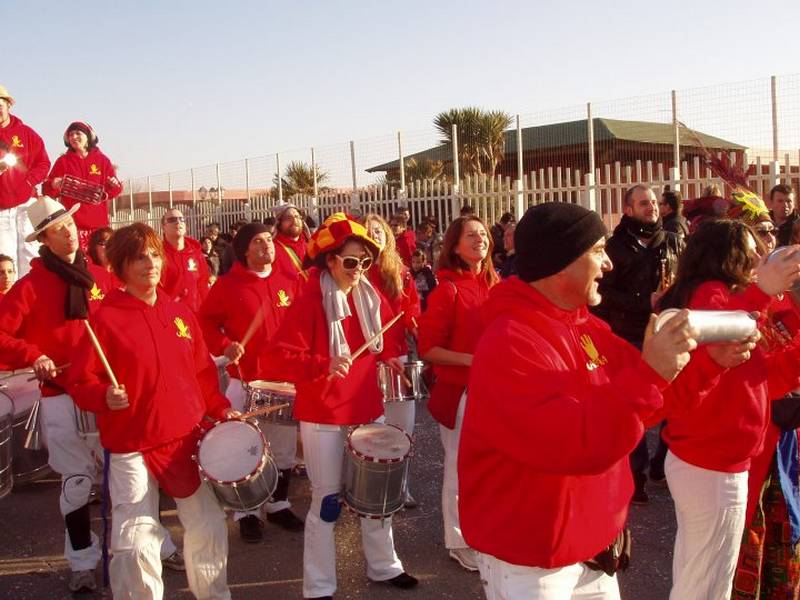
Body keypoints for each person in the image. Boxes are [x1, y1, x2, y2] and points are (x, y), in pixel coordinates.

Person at [459, 201, 706, 600]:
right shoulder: (509, 344)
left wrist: (711, 365)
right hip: (534, 561)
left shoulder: (587, 327)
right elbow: (572, 444)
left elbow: (651, 400)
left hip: (594, 548)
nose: (608, 264)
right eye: (597, 251)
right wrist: (651, 372)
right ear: (560, 263)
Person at [67, 223, 236, 600]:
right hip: (132, 443)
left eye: (155, 254)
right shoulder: (104, 319)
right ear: (121, 266)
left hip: (184, 438)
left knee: (207, 523)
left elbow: (203, 374)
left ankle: (215, 594)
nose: (151, 263)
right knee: (136, 538)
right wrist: (102, 395)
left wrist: (221, 409)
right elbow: (80, 383)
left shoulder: (179, 311)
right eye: (139, 257)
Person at [262, 212, 418, 600]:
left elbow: (384, 338)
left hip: (367, 404)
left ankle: (384, 566)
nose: (359, 269)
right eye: (351, 262)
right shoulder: (309, 300)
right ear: (330, 260)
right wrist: (323, 363)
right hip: (324, 413)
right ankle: (318, 585)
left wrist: (390, 359)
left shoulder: (369, 294)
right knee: (327, 500)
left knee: (377, 495)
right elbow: (277, 358)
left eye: (365, 262)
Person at [658, 219, 800, 600]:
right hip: (711, 460)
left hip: (715, 459)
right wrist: (762, 292)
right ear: (729, 255)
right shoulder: (711, 293)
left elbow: (762, 377)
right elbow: (724, 334)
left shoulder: (722, 295)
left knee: (702, 574)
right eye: (751, 249)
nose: (758, 257)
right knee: (706, 583)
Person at [0, 197, 111, 592]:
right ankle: (82, 560)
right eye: (58, 228)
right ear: (44, 239)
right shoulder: (29, 286)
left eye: (69, 224)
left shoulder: (101, 276)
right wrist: (34, 354)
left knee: (125, 478)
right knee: (77, 481)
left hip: (106, 392)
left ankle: (146, 546)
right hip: (60, 394)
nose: (68, 232)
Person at [198, 222, 305, 543]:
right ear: (244, 250)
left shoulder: (290, 281)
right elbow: (204, 322)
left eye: (269, 241)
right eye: (258, 242)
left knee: (284, 450)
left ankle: (278, 503)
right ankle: (246, 512)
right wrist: (224, 346)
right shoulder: (229, 285)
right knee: (245, 448)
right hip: (244, 380)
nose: (267, 246)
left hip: (284, 381)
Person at [417, 214, 499, 572]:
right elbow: (428, 348)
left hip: (497, 393)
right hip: (460, 393)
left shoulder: (498, 284)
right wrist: (474, 359)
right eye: (471, 235)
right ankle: (459, 540)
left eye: (483, 233)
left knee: (492, 469)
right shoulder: (446, 290)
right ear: (454, 246)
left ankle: (487, 533)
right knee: (459, 469)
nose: (479, 239)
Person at [593, 184, 682, 503]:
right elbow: (601, 297)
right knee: (635, 406)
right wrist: (644, 300)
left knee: (674, 401)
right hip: (628, 334)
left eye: (655, 203)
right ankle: (636, 474)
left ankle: (662, 463)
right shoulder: (616, 248)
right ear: (628, 209)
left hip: (665, 331)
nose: (652, 208)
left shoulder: (672, 241)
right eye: (644, 203)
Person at [732, 229, 800, 598]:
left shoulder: (789, 300)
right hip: (758, 444)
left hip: (790, 444)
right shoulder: (741, 308)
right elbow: (761, 378)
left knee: (788, 538)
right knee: (751, 540)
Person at [363, 213, 422, 506]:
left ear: (387, 235)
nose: (374, 234)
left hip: (398, 355)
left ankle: (400, 487)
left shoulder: (402, 272)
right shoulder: (354, 272)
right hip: (366, 360)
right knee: (371, 428)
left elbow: (412, 306)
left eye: (378, 230)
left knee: (402, 427)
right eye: (367, 230)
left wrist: (414, 322)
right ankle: (372, 485)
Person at [43, 121, 122, 253]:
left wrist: (115, 185)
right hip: (74, 227)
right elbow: (47, 191)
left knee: (101, 265)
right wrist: (53, 184)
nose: (73, 137)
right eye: (70, 135)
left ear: (88, 137)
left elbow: (113, 191)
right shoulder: (63, 162)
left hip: (99, 227)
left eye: (78, 133)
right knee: (79, 265)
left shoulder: (102, 160)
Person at [0, 84, 51, 277]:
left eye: (0, 104)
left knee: (31, 253)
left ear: (8, 106)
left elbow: (43, 163)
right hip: (1, 208)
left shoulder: (26, 133)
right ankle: (7, 302)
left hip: (26, 205)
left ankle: (32, 299)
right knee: (5, 257)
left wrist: (29, 182)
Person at [160, 208, 210, 312]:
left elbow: (203, 286)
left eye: (181, 219)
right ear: (163, 227)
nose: (178, 222)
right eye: (172, 219)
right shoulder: (158, 255)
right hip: (171, 317)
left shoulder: (196, 254)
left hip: (195, 316)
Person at [273, 203, 309, 282]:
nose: (294, 220)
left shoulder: (311, 244)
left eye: (297, 217)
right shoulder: (273, 249)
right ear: (279, 223)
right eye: (288, 218)